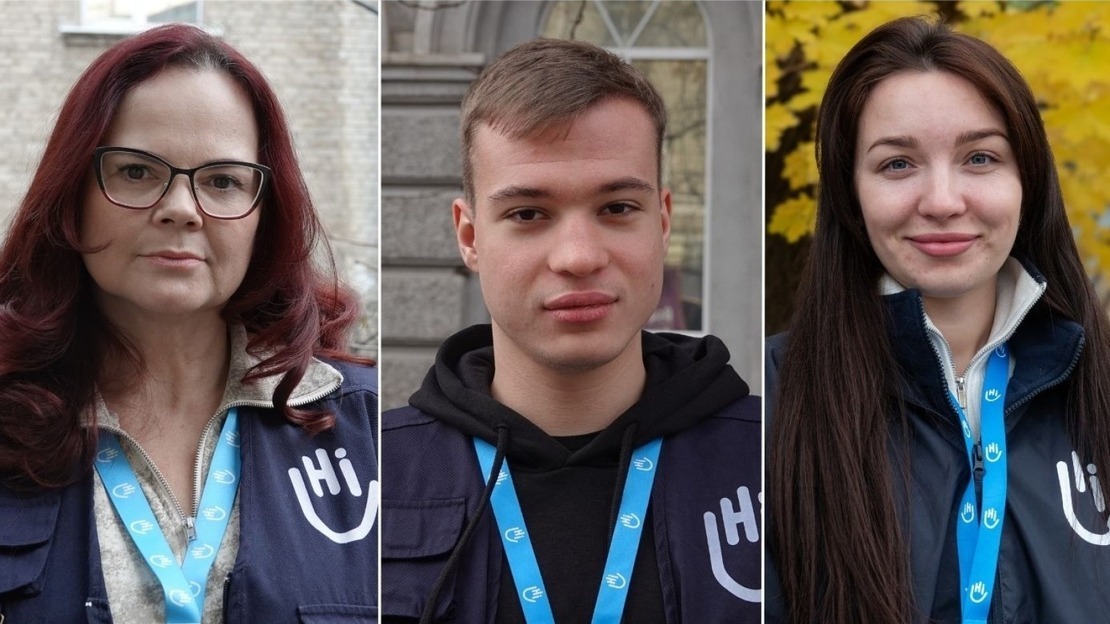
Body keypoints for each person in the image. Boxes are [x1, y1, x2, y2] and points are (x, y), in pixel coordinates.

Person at [0, 24, 378, 623]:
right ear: (73, 194)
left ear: (264, 214)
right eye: (136, 172)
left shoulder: (371, 431)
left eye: (222, 180)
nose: (180, 209)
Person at [380, 38, 760, 624]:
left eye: (617, 208)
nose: (579, 257)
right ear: (470, 236)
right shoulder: (375, 471)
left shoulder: (779, 457)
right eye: (528, 214)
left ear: (662, 221)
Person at [766, 16, 1110, 624]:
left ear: (1027, 181)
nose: (943, 202)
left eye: (980, 157)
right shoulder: (769, 399)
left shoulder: (1099, 382)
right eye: (897, 165)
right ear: (850, 193)